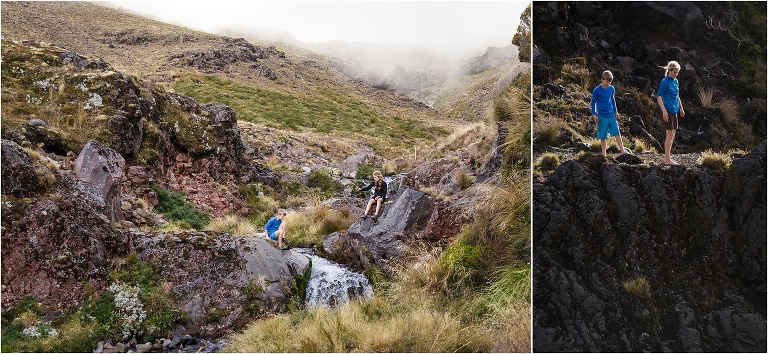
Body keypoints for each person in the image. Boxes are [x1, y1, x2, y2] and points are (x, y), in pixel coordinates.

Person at [591, 70, 628, 157]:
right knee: (603, 136)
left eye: (609, 82)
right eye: (606, 82)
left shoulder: (611, 89)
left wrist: (616, 112)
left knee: (617, 132)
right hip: (601, 116)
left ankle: (622, 150)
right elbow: (593, 102)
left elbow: (613, 100)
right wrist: (594, 114)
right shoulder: (596, 90)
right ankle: (603, 154)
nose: (608, 84)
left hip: (611, 115)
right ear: (602, 79)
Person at [656, 60, 685, 165]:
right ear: (669, 70)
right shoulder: (665, 81)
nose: (676, 74)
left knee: (672, 135)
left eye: (677, 72)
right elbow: (659, 96)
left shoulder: (676, 81)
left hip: (675, 110)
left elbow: (677, 96)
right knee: (669, 135)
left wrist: (681, 108)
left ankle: (668, 158)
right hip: (667, 110)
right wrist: (664, 111)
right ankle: (667, 159)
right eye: (674, 72)